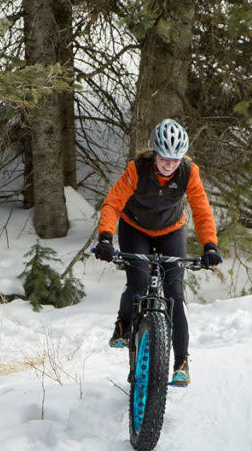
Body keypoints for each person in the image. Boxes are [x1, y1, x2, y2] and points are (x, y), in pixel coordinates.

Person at [93, 118, 222, 387]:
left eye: (175, 159)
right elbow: (113, 203)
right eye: (164, 158)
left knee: (175, 293)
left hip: (171, 230)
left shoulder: (189, 172)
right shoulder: (137, 169)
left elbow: (201, 210)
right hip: (135, 227)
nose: (169, 164)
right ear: (155, 152)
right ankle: (123, 325)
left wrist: (210, 244)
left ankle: (182, 363)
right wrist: (105, 237)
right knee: (138, 282)